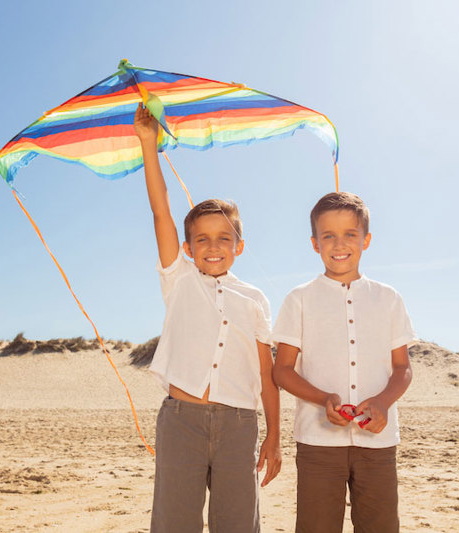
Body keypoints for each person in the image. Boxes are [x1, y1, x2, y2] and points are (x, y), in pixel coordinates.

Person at [133, 103, 281, 533]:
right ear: (187, 247)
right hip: (182, 421)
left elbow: (266, 373)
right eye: (201, 239)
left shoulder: (254, 298)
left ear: (239, 245)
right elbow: (161, 211)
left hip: (239, 424)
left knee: (237, 524)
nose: (212, 247)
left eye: (223, 238)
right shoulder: (179, 280)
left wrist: (274, 435)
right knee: (175, 522)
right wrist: (148, 143)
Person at [272, 191, 415, 533]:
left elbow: (403, 368)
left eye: (350, 233)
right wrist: (323, 398)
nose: (339, 244)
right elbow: (282, 371)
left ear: (366, 240)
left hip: (378, 442)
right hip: (317, 442)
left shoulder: (389, 298)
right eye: (328, 235)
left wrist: (383, 402)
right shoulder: (299, 299)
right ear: (314, 243)